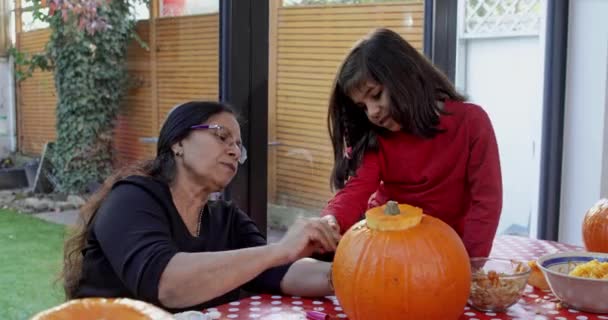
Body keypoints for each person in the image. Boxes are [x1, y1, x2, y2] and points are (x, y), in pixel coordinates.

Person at [61, 101, 340, 313]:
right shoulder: (131, 199)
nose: (234, 150)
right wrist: (279, 250)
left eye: (238, 146)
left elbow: (277, 272)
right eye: (221, 136)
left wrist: (346, 275)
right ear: (178, 142)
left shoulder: (226, 218)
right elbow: (166, 284)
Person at [320, 28, 502, 258]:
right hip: (386, 249)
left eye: (375, 95)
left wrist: (471, 262)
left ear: (404, 76)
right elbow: (357, 189)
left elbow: (486, 201)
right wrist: (332, 219)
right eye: (362, 107)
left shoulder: (472, 123)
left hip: (448, 253)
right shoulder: (377, 136)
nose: (372, 113)